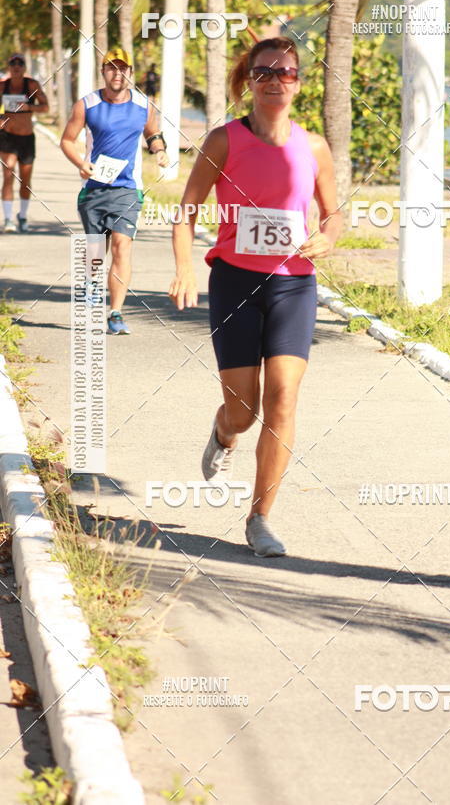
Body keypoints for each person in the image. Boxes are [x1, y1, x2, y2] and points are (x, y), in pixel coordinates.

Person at [169, 36, 342, 557]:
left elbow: (333, 214)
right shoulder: (224, 141)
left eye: (285, 72)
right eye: (264, 72)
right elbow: (187, 209)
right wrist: (184, 268)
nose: (275, 80)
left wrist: (328, 238)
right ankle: (224, 433)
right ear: (250, 81)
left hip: (293, 283)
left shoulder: (313, 147)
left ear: (298, 83)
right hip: (235, 283)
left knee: (284, 396)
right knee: (243, 412)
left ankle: (260, 517)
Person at [60, 47, 169, 334]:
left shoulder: (144, 105)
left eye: (122, 68)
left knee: (122, 246)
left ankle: (116, 313)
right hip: (94, 189)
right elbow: (68, 140)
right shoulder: (87, 104)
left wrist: (159, 151)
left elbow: (152, 133)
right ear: (103, 71)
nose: (117, 73)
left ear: (130, 72)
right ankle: (91, 290)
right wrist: (82, 164)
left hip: (128, 190)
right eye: (111, 68)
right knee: (96, 251)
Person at [0, 53, 49, 232]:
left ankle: (22, 216)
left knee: (25, 180)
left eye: (20, 64)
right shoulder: (2, 86)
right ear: (9, 67)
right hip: (7, 137)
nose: (17, 67)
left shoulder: (32, 85)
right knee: (8, 175)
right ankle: (7, 220)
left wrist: (30, 107)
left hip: (27, 138)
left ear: (25, 68)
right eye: (13, 63)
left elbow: (45, 107)